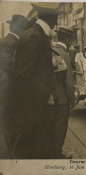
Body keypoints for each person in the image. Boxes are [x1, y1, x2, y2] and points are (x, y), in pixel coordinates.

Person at [13, 2, 63, 159]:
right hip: (36, 109)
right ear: (52, 17)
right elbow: (23, 74)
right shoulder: (34, 36)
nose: (58, 20)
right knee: (34, 152)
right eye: (57, 16)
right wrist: (46, 94)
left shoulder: (37, 34)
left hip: (38, 108)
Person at [0, 15, 28, 158]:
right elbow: (7, 68)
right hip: (9, 92)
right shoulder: (12, 43)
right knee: (9, 125)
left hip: (6, 91)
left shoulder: (6, 41)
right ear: (19, 28)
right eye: (24, 28)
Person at [52, 26, 76, 158]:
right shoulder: (64, 55)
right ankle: (57, 154)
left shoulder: (51, 51)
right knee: (60, 127)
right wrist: (73, 99)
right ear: (66, 39)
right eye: (71, 40)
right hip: (62, 99)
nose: (71, 43)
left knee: (52, 125)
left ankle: (51, 151)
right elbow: (68, 80)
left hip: (50, 96)